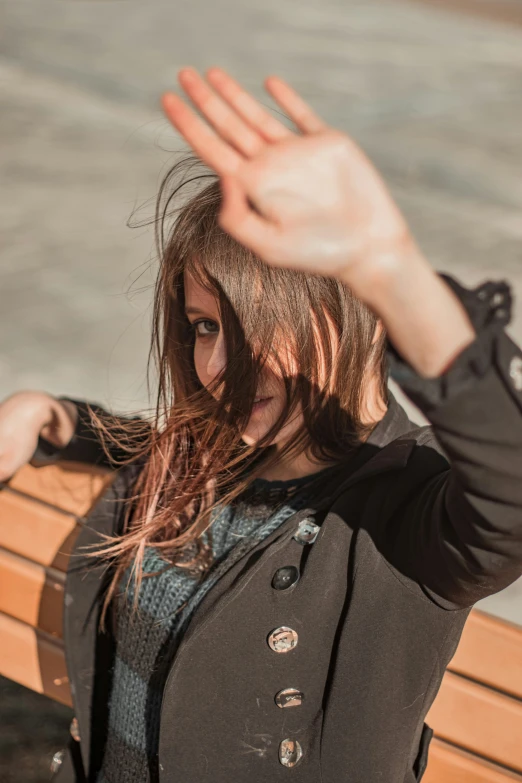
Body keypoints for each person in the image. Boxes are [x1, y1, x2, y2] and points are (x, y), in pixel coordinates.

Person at [1, 68, 521, 783]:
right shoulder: (220, 455)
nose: (215, 363)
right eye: (203, 326)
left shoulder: (407, 509)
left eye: (247, 327)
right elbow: (149, 440)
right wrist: (52, 415)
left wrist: (391, 269)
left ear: (339, 317)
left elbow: (511, 497)